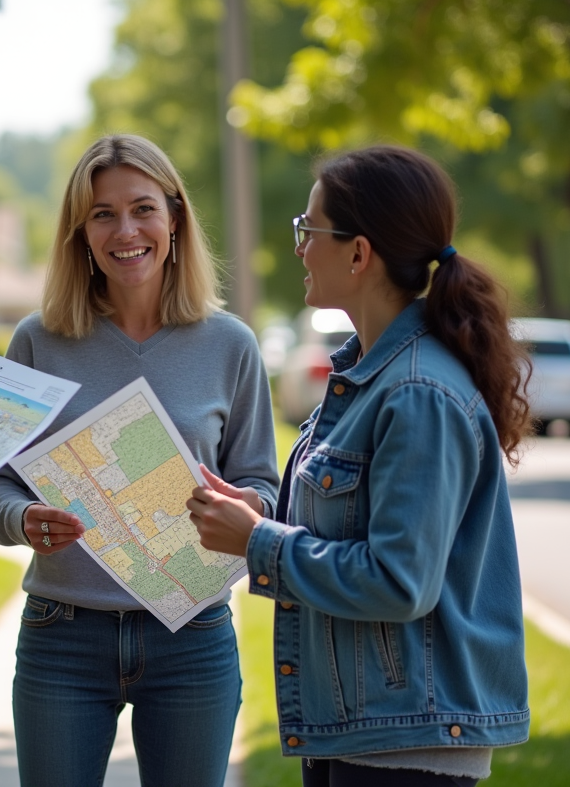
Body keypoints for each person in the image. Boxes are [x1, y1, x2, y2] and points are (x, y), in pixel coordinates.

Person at [187, 145, 532, 787]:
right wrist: (252, 513)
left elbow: (400, 581)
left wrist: (257, 541)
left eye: (308, 231)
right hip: (363, 730)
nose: (298, 248)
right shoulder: (365, 379)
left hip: (408, 744)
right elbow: (337, 530)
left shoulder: (417, 394)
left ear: (358, 253)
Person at [0, 133, 281, 787]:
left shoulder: (230, 344)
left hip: (192, 636)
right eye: (102, 214)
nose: (126, 230)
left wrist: (242, 508)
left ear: (175, 218)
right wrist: (23, 518)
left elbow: (263, 481)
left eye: (143, 208)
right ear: (79, 234)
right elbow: (0, 485)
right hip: (62, 635)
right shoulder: (37, 340)